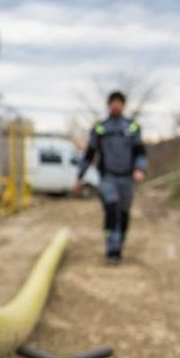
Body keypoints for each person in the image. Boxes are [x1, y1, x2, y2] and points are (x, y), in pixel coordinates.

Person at [73, 91, 148, 265]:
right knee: (111, 209)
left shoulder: (132, 127)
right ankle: (111, 248)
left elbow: (140, 152)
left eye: (118, 102)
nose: (115, 105)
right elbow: (89, 154)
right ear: (108, 105)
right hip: (108, 177)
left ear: (123, 105)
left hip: (127, 178)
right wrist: (79, 177)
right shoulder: (100, 128)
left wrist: (140, 169)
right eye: (112, 102)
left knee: (123, 213)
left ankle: (119, 244)